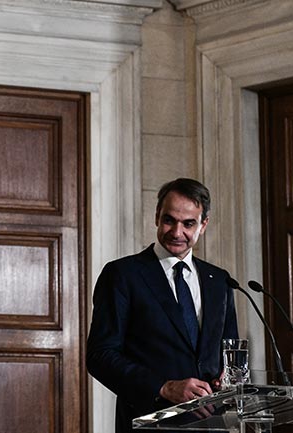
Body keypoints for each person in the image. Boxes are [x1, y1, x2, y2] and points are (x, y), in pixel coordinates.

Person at [86, 178, 238, 433]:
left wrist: (226, 377)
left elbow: (229, 351)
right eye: (169, 220)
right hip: (149, 422)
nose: (177, 232)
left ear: (203, 225)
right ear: (157, 216)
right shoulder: (123, 274)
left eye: (188, 223)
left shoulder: (219, 280)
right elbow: (100, 355)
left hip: (213, 424)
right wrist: (164, 387)